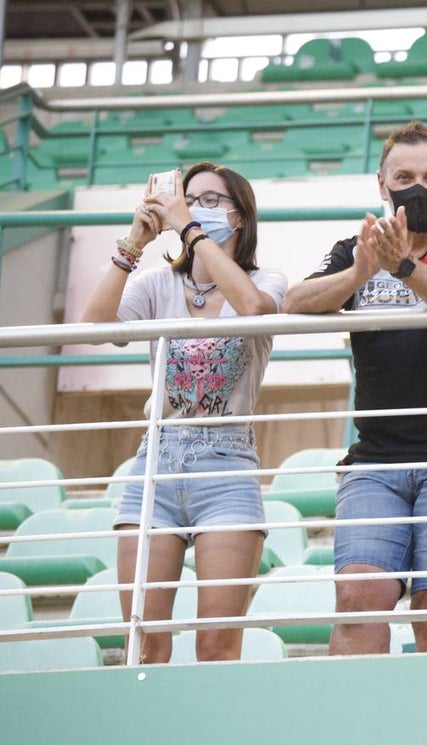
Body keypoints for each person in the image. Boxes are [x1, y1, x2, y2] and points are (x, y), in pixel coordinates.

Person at [281, 121, 427, 655]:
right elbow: (293, 303)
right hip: (376, 460)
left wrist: (404, 267)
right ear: (381, 185)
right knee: (358, 602)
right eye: (404, 176)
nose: (419, 187)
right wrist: (361, 273)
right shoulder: (355, 249)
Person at [80, 162, 286, 662]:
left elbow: (254, 309)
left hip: (228, 460)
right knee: (145, 639)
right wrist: (134, 241)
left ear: (241, 217)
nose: (195, 208)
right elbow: (94, 327)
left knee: (217, 642)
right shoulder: (156, 284)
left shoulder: (268, 280)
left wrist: (190, 230)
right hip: (156, 460)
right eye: (189, 198)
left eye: (212, 201)